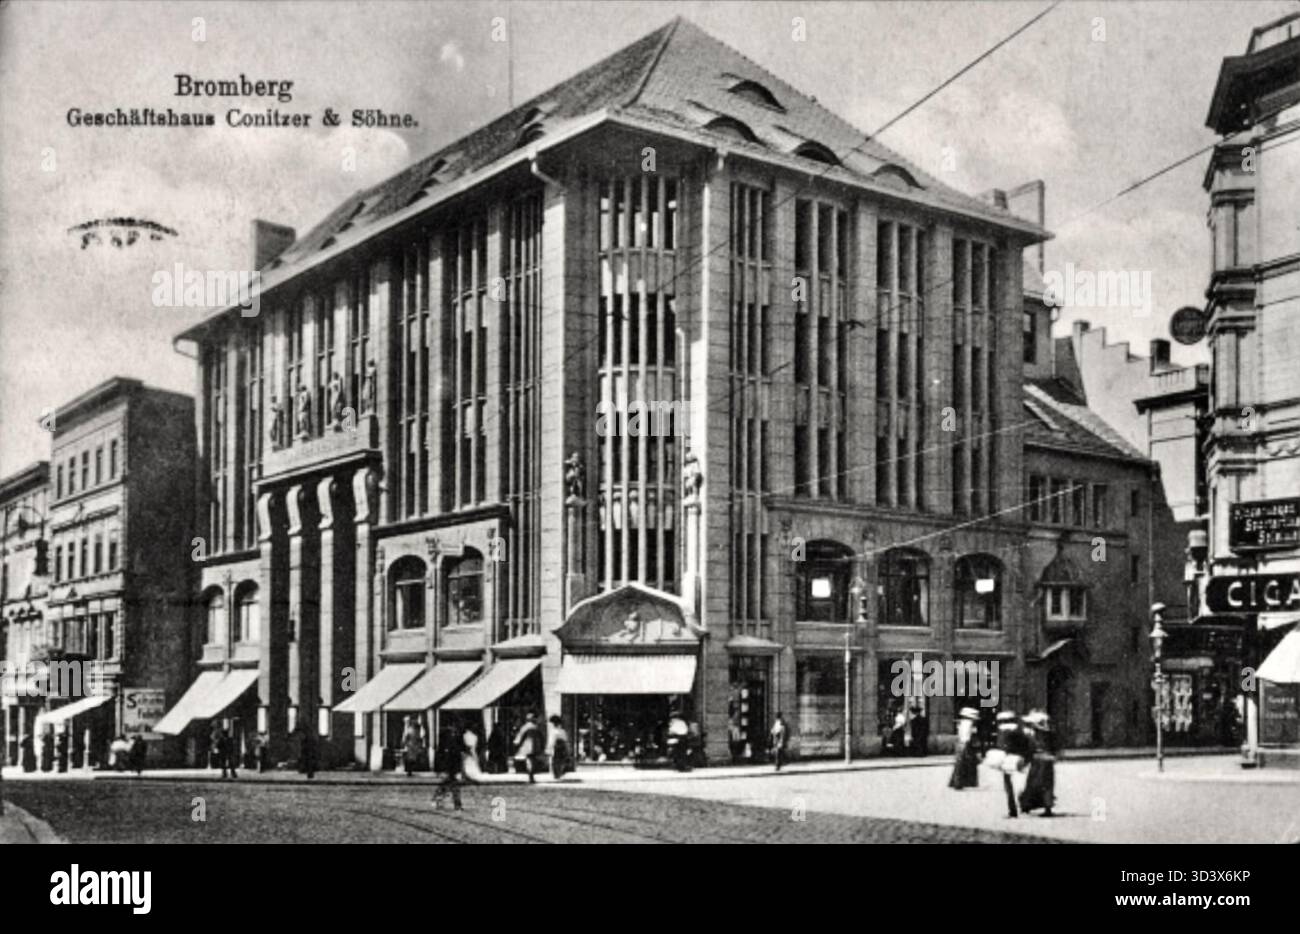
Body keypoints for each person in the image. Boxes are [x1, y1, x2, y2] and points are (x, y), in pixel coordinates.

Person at [987, 710, 1031, 818]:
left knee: (1008, 785)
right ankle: (1024, 805)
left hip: (1008, 761)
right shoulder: (1021, 730)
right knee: (1021, 784)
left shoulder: (1002, 731)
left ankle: (1012, 810)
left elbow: (1001, 746)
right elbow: (1026, 745)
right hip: (1020, 759)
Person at [1018, 710, 1057, 817]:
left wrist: (1025, 761)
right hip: (1048, 761)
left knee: (1033, 783)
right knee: (1047, 785)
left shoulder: (1035, 736)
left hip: (1038, 762)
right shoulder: (1049, 735)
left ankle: (1027, 806)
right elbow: (1055, 749)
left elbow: (1030, 749)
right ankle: (1047, 807)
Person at [432, 727, 464, 811]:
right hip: (449, 770)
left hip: (451, 770)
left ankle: (455, 803)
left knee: (450, 786)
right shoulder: (447, 746)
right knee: (451, 786)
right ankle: (456, 804)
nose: (453, 735)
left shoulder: (447, 746)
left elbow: (457, 758)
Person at [948, 707, 981, 790]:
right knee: (966, 764)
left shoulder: (961, 723)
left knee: (959, 764)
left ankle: (957, 782)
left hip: (960, 744)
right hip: (966, 745)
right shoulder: (971, 725)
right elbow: (971, 737)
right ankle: (963, 782)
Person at [512, 712, 542, 783]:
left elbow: (520, 736)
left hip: (527, 746)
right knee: (532, 760)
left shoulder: (525, 727)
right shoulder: (535, 727)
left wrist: (516, 742)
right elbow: (541, 737)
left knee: (529, 761)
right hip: (535, 746)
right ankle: (531, 775)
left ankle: (530, 776)